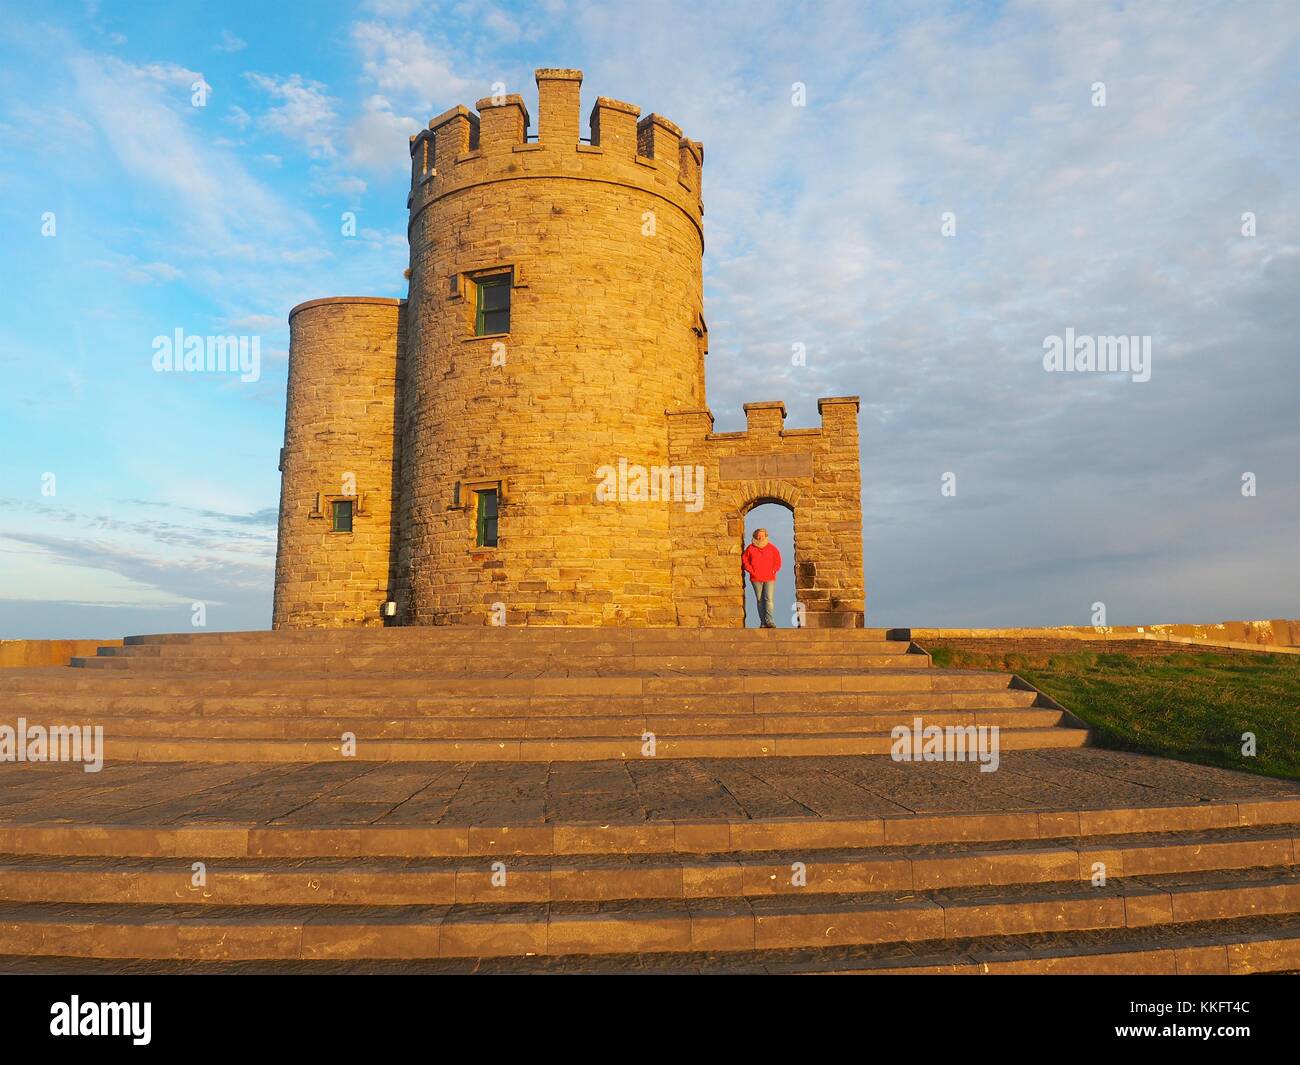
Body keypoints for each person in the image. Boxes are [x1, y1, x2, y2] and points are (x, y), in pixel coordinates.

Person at [741, 527, 782, 629]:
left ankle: (769, 621)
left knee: (768, 599)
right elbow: (745, 560)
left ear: (766, 536)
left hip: (769, 578)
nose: (760, 537)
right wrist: (751, 570)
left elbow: (778, 560)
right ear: (755, 536)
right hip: (756, 578)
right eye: (758, 536)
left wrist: (774, 570)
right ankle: (763, 622)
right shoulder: (750, 548)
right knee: (760, 600)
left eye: (762, 535)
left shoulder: (772, 548)